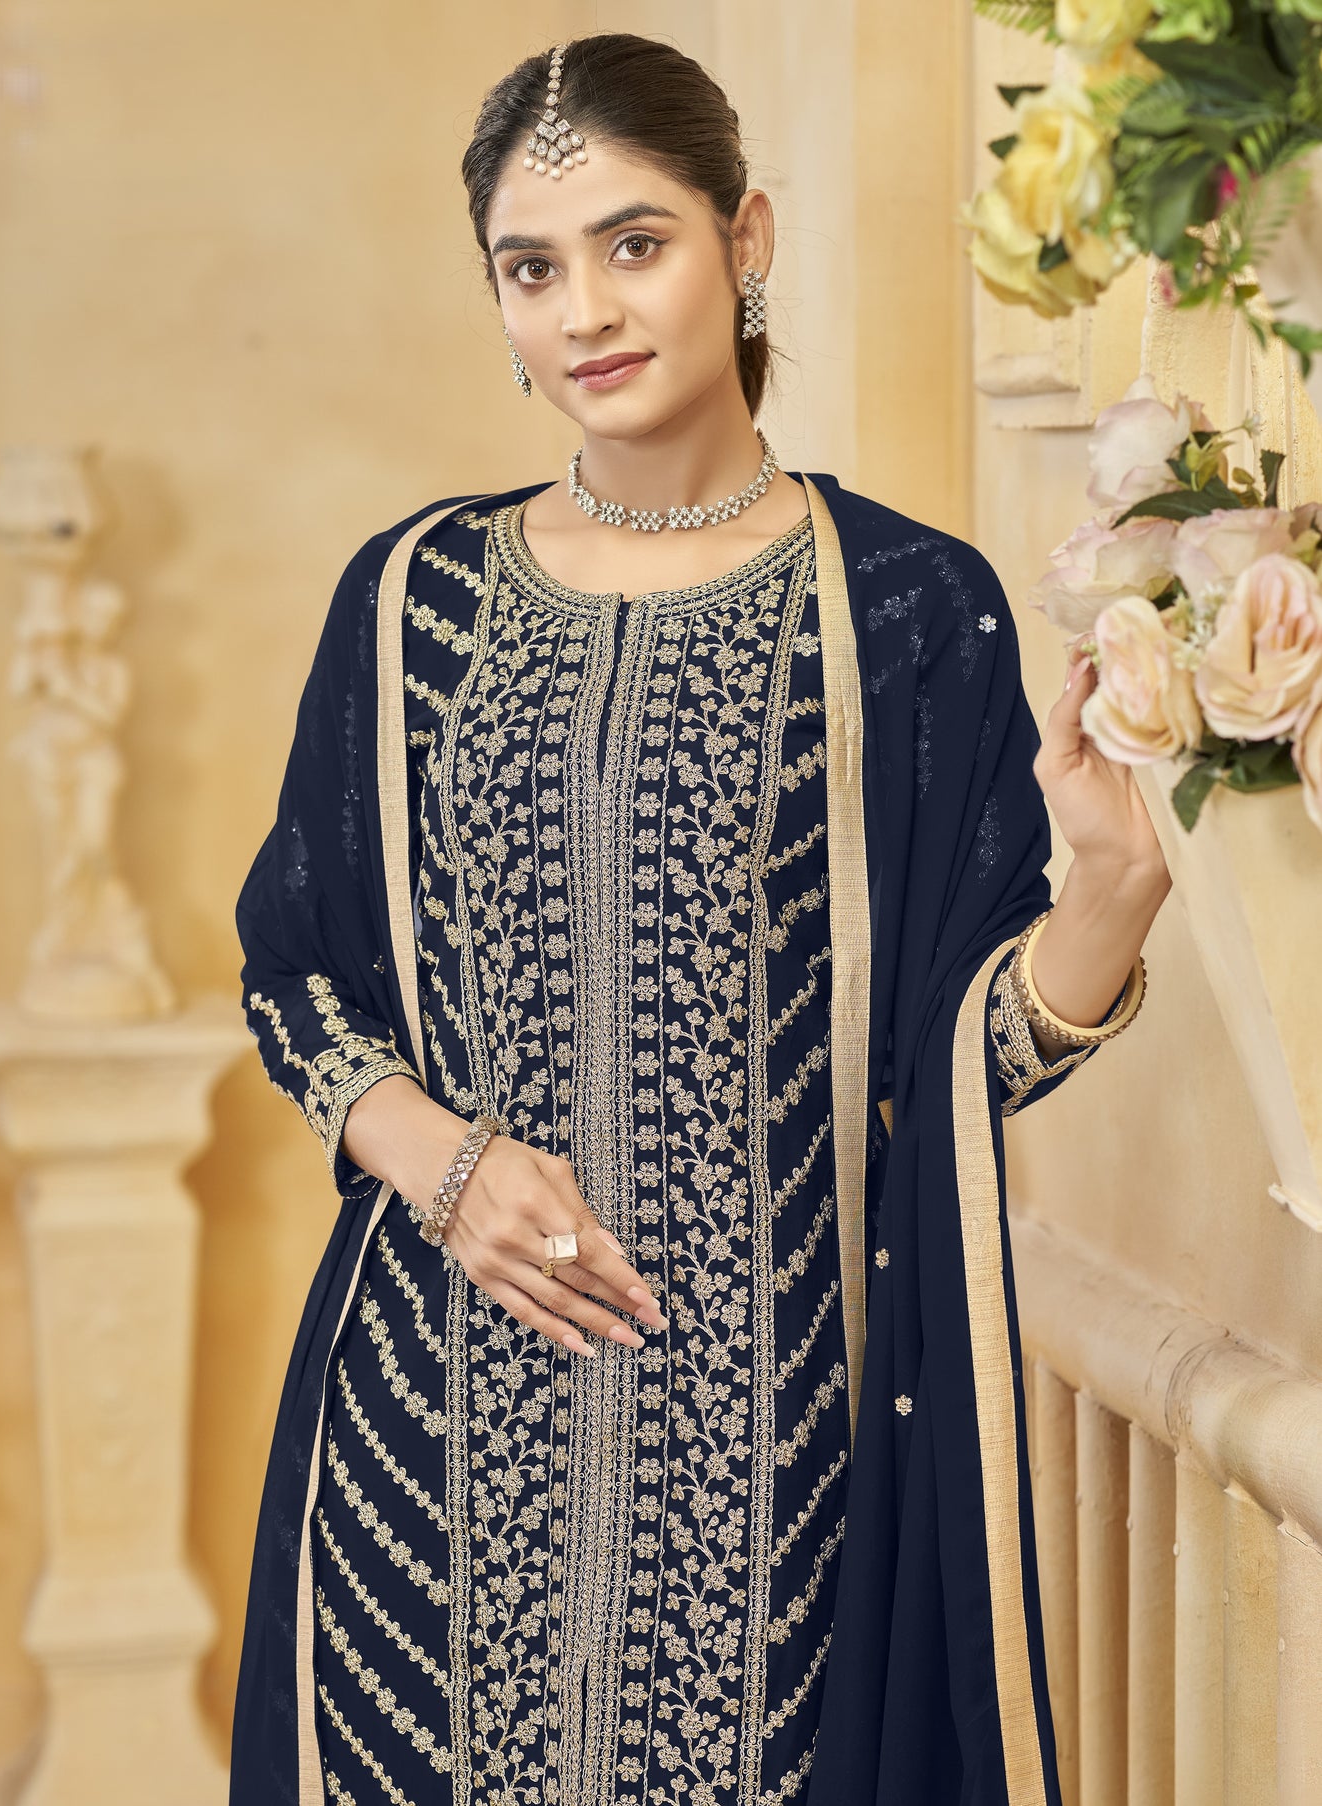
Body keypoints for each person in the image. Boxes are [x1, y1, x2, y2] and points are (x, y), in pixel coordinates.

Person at [228, 32, 1169, 1806]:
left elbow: (948, 1071)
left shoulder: (904, 608)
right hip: (425, 1456)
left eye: (633, 242)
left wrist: (1105, 907)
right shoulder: (410, 600)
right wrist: (441, 1161)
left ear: (744, 240)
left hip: (770, 1474)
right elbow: (295, 980)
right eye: (531, 265)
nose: (583, 306)